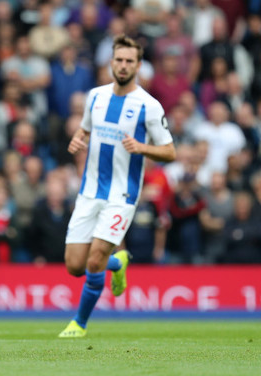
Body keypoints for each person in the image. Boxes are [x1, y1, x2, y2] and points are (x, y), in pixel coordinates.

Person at [58, 35, 176, 338]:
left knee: (94, 258)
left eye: (129, 61)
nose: (123, 66)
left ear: (138, 66)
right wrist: (79, 138)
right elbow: (85, 128)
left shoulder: (149, 106)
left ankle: (79, 324)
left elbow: (169, 151)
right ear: (111, 62)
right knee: (74, 265)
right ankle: (118, 262)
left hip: (122, 195)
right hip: (89, 191)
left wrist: (142, 147)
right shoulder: (95, 97)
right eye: (119, 60)